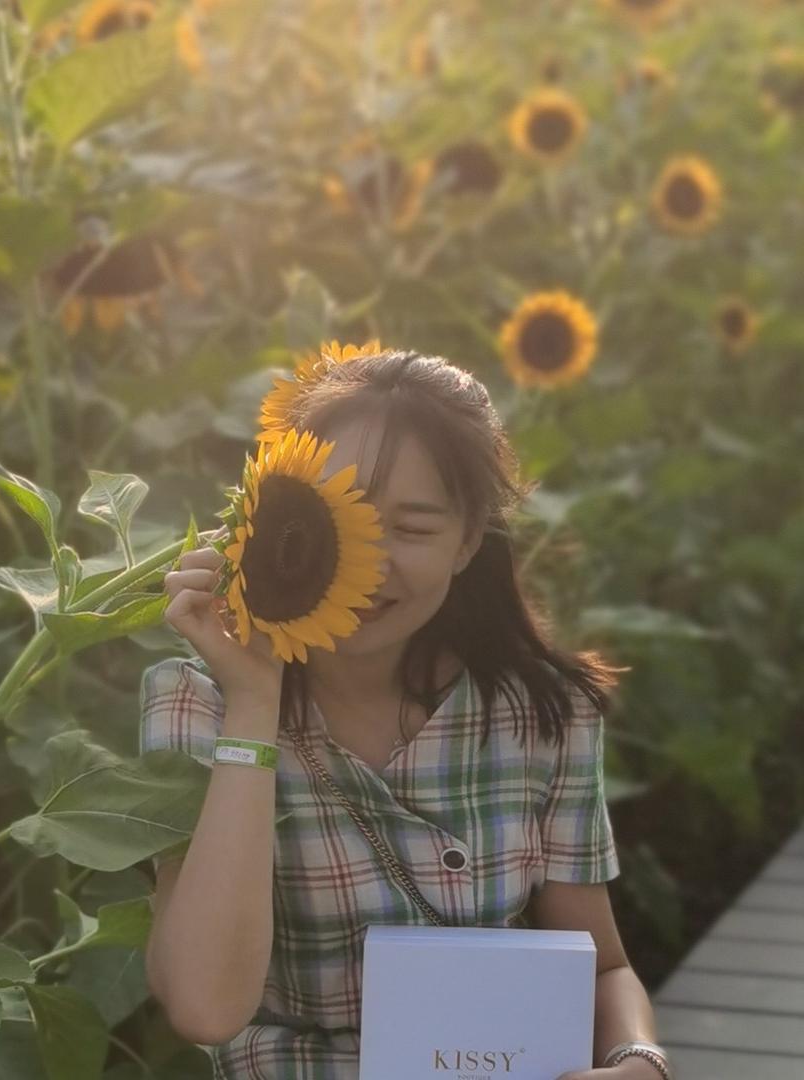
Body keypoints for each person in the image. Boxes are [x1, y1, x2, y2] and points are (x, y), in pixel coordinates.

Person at [140, 349, 672, 1080]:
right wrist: (255, 704)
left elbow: (602, 967)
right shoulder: (199, 703)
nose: (364, 563)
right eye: (335, 520)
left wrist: (641, 1061)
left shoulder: (543, 716)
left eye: (412, 529)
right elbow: (205, 1007)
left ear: (468, 541)